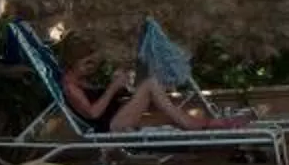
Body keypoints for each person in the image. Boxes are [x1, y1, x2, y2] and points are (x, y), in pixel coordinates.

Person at [58, 38, 209, 133]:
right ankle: (189, 124)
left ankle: (210, 125)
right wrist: (112, 88)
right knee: (150, 84)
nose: (91, 67)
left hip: (119, 116)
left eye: (92, 62)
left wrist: (120, 86)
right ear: (72, 61)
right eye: (86, 63)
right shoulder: (71, 87)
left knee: (172, 117)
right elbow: (93, 113)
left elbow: (101, 99)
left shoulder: (83, 79)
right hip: (112, 125)